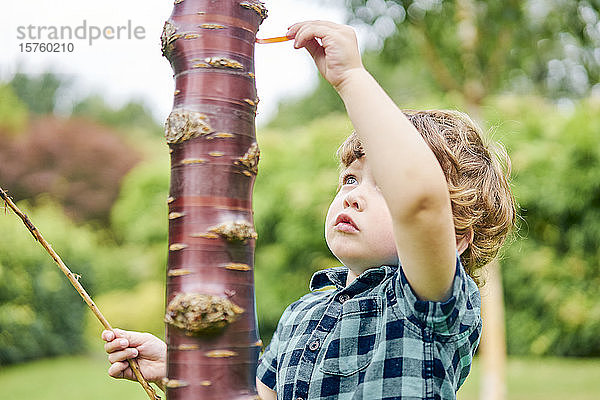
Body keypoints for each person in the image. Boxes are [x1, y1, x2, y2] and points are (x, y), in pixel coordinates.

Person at [102, 20, 515, 399]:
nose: (352, 196)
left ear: (456, 239)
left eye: (385, 186)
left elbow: (421, 203)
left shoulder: (427, 305)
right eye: (350, 179)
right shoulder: (303, 313)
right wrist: (178, 367)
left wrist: (351, 77)